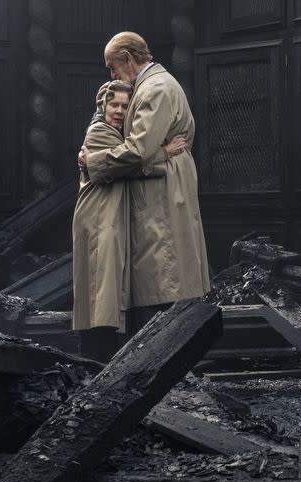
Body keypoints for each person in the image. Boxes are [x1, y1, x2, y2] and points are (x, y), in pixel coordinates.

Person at [79, 31, 211, 330]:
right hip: (163, 180)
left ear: (127, 58)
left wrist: (94, 162)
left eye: (113, 67)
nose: (112, 74)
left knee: (162, 270)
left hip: (161, 186)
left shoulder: (154, 89)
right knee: (164, 269)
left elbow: (138, 151)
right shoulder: (153, 85)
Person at [72, 79, 187, 362]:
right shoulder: (99, 132)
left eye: (125, 105)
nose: (120, 110)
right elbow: (130, 161)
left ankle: (105, 355)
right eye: (114, 104)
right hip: (98, 216)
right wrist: (164, 152)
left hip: (110, 215)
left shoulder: (118, 132)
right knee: (101, 285)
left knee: (108, 286)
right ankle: (95, 356)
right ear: (103, 105)